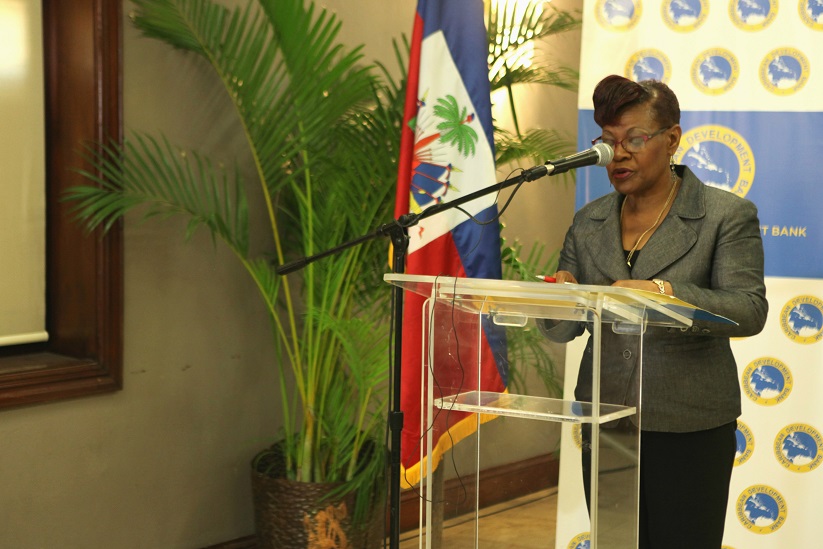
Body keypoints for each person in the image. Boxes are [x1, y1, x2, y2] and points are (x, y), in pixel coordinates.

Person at [540, 75, 768, 549]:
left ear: (672, 139)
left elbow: (748, 310)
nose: (617, 154)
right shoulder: (590, 221)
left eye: (634, 140)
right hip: (606, 420)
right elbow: (563, 329)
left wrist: (663, 292)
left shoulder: (724, 215)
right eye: (607, 142)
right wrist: (559, 298)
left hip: (688, 423)